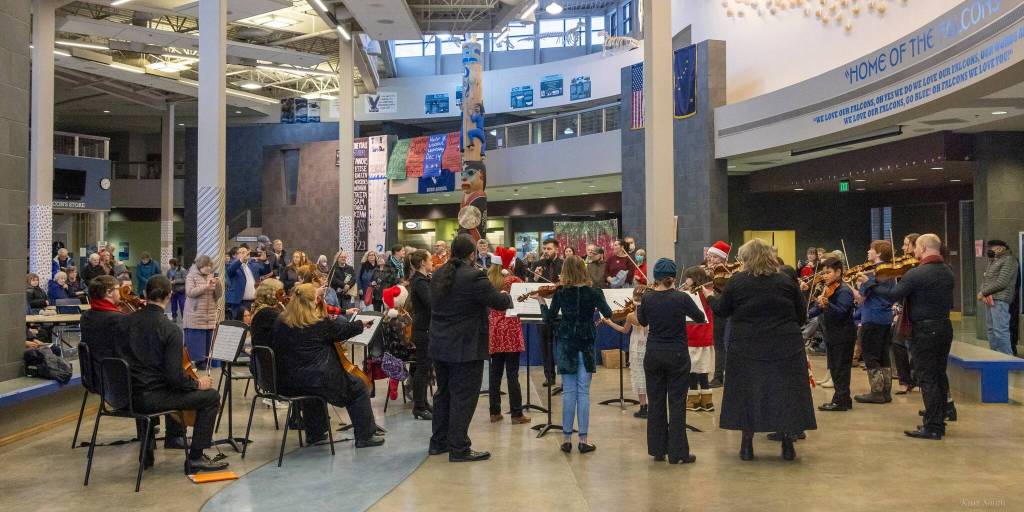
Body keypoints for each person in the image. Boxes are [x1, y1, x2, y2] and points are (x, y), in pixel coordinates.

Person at [713, 238, 816, 461]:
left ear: (747, 259)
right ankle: (787, 444)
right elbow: (801, 316)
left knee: (747, 394)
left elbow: (722, 310)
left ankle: (747, 445)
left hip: (747, 346)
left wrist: (711, 297)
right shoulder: (786, 281)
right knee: (785, 393)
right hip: (785, 346)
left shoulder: (737, 281)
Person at [121, 276, 228, 474]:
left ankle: (149, 450)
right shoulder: (170, 329)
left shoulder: (124, 322)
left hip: (125, 395)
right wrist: (198, 384)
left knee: (168, 388)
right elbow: (174, 377)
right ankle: (195, 458)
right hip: (152, 398)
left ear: (144, 294)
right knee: (211, 397)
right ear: (169, 296)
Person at [428, 234, 514, 462]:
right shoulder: (474, 276)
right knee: (463, 397)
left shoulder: (438, 274)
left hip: (440, 344)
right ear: (472, 254)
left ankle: (438, 442)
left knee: (443, 394)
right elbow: (498, 302)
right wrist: (507, 296)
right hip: (465, 347)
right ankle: (459, 448)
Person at [271, 284, 384, 448]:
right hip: (316, 380)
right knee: (358, 386)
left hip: (286, 382)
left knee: (311, 388)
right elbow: (342, 330)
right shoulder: (318, 323)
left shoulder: (280, 321)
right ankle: (365, 436)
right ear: (312, 302)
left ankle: (315, 433)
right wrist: (361, 324)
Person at [869, 234, 956, 440]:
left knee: (927, 378)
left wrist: (871, 284)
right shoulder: (948, 271)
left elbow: (894, 295)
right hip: (944, 326)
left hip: (924, 330)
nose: (913, 250)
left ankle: (933, 426)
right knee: (939, 374)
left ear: (923, 248)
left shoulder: (917, 273)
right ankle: (939, 417)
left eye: (916, 247)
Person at [630, 258, 705, 463]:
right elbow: (700, 317)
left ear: (656, 277)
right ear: (673, 277)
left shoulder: (647, 298)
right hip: (677, 354)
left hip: (654, 354)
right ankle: (678, 453)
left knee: (655, 402)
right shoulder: (681, 298)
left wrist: (639, 305)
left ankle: (657, 450)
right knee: (677, 403)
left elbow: (642, 320)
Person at [537, 255, 612, 455]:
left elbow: (549, 319)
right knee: (583, 392)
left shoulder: (561, 292)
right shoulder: (595, 292)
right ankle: (583, 440)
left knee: (569, 392)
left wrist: (542, 302)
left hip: (566, 343)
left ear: (566, 271)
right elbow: (608, 313)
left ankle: (566, 439)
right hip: (586, 343)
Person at [486, 247, 531, 425]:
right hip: (510, 329)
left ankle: (494, 412)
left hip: (494, 329)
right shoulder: (513, 280)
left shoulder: (488, 280)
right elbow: (525, 296)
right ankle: (516, 414)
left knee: (495, 373)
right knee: (512, 374)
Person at [809, 257, 857, 412]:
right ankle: (843, 399)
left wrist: (827, 304)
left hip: (843, 334)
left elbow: (842, 312)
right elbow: (818, 308)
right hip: (833, 333)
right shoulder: (829, 288)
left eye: (828, 272)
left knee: (840, 369)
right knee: (835, 368)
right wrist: (806, 314)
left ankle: (841, 401)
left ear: (838, 272)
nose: (825, 276)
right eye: (824, 273)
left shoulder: (844, 291)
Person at [852, 241, 896, 404]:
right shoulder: (891, 272)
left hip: (872, 317)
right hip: (886, 317)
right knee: (883, 355)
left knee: (870, 354)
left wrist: (851, 287)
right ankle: (886, 392)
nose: (868, 251)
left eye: (871, 249)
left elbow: (860, 298)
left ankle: (877, 392)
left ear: (878, 253)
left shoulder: (872, 273)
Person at [603, 287, 649, 417]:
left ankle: (643, 407)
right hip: (650, 345)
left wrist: (609, 322)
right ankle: (653, 407)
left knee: (639, 376)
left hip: (636, 347)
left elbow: (624, 330)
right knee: (650, 376)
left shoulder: (630, 315)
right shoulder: (652, 313)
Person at [682, 267, 715, 413]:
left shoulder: (691, 295)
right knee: (703, 370)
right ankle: (707, 402)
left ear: (694, 279)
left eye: (688, 278)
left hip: (693, 336)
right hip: (706, 336)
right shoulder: (708, 293)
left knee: (692, 371)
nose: (685, 281)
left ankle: (693, 401)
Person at [978, 239, 1019, 355]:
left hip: (1000, 300)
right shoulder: (993, 260)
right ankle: (995, 356)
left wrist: (983, 293)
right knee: (991, 330)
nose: (989, 251)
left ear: (1001, 248)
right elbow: (986, 279)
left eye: (992, 249)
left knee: (1000, 331)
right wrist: (983, 292)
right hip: (990, 299)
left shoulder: (1009, 260)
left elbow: (1002, 283)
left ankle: (1007, 359)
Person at [891, 233, 920, 395]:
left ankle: (914, 379)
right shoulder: (904, 265)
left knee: (915, 347)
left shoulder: (918, 266)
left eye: (906, 244)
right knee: (897, 342)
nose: (903, 247)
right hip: (903, 309)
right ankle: (904, 380)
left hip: (915, 310)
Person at [407, 250, 434, 420]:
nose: (432, 262)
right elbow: (431, 303)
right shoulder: (420, 282)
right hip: (423, 329)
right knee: (422, 368)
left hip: (424, 328)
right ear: (423, 262)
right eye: (430, 260)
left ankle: (423, 402)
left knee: (425, 368)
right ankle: (419, 407)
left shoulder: (423, 280)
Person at [183, 256, 222, 370]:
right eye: (206, 266)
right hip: (195, 313)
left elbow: (218, 295)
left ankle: (207, 360)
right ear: (200, 266)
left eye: (210, 266)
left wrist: (218, 284)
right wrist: (206, 286)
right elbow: (190, 292)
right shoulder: (191, 276)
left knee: (208, 339)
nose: (209, 268)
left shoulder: (211, 275)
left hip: (210, 313)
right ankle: (199, 362)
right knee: (197, 339)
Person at [533, 239, 563, 387]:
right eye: (544, 248)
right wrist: (535, 278)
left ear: (556, 249)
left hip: (561, 311)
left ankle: (564, 378)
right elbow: (532, 287)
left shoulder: (563, 264)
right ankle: (549, 376)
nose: (545, 251)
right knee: (545, 345)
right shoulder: (537, 265)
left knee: (562, 345)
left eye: (549, 249)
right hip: (544, 309)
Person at [226, 246, 264, 321]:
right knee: (239, 323)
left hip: (254, 302)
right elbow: (230, 270)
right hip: (239, 302)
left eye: (246, 253)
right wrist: (241, 260)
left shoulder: (253, 265)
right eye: (242, 253)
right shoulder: (231, 264)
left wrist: (265, 261)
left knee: (253, 322)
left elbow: (265, 271)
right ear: (237, 255)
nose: (245, 254)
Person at [374, 245, 406, 311]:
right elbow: (387, 278)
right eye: (402, 250)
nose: (404, 252)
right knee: (386, 312)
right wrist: (400, 281)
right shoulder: (388, 263)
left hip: (398, 291)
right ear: (396, 252)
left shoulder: (402, 263)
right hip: (388, 291)